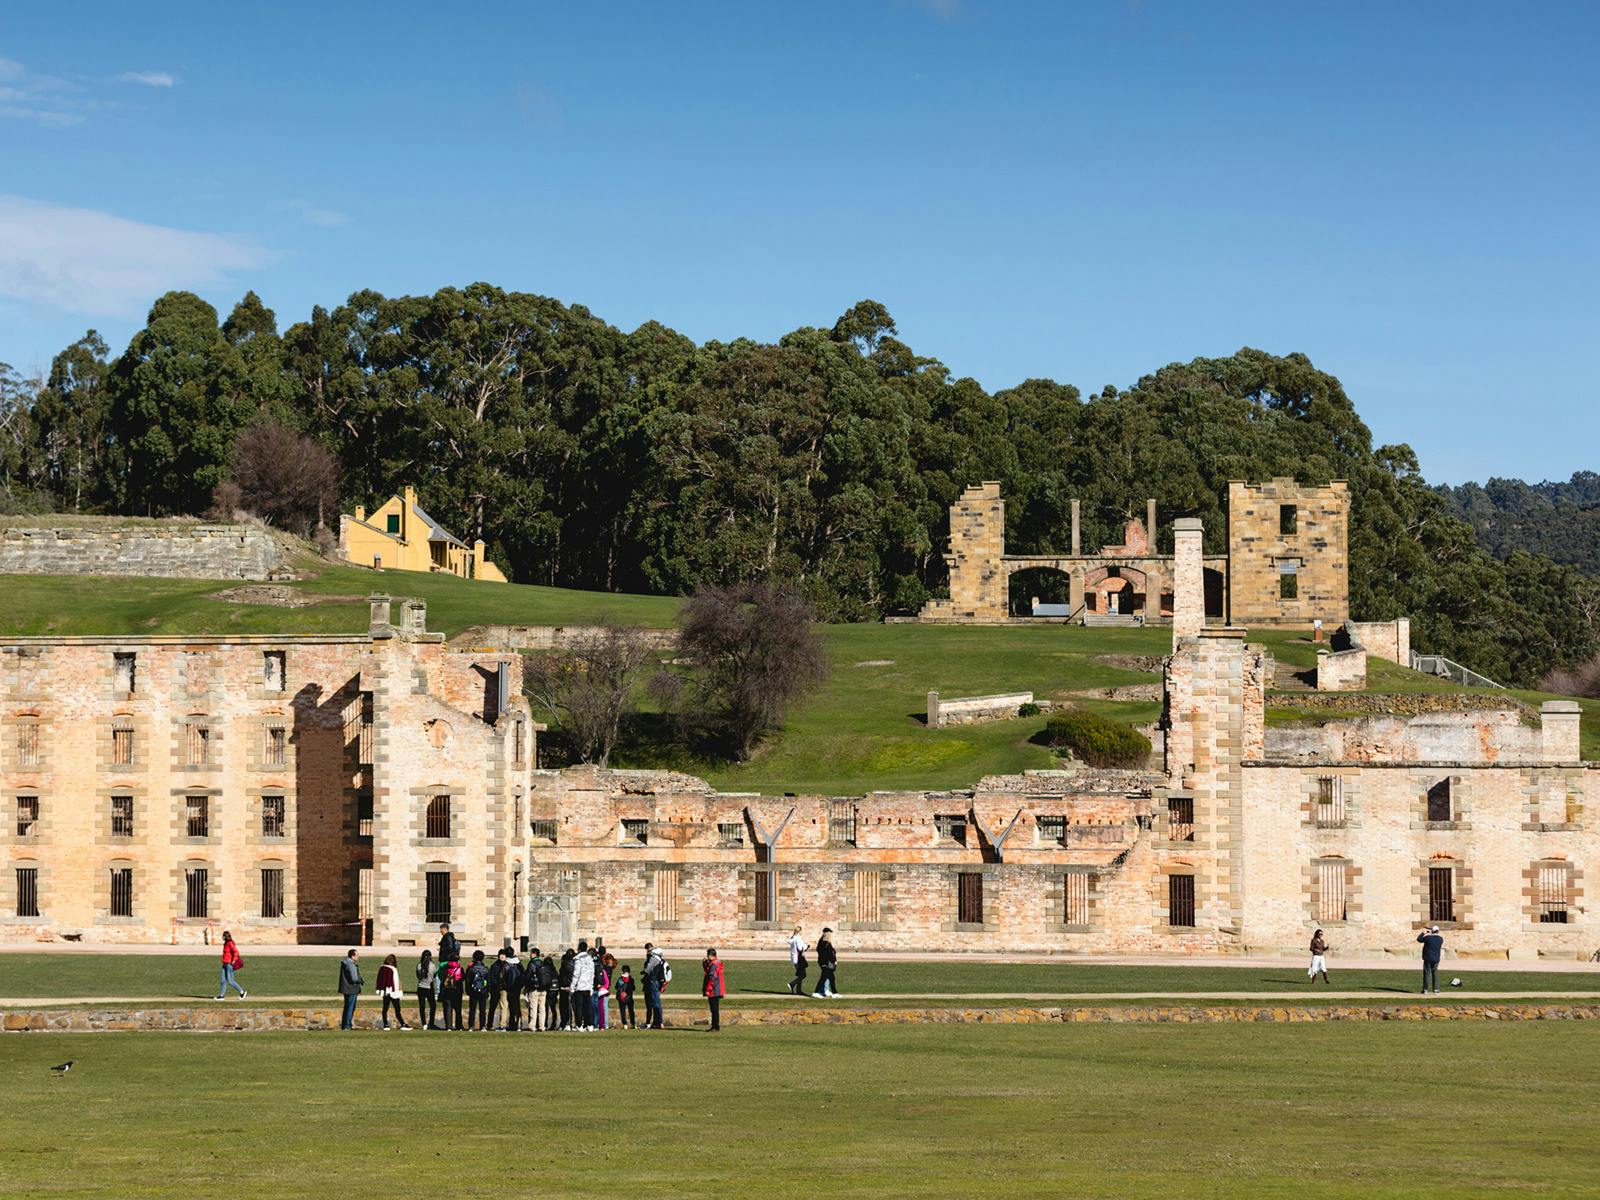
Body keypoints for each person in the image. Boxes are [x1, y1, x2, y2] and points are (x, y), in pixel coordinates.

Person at [376, 953, 411, 1029]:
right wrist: (397, 992)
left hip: (385, 991)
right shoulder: (393, 969)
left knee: (385, 1008)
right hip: (393, 991)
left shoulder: (382, 968)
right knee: (397, 1009)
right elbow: (395, 982)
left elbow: (379, 980)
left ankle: (385, 1025)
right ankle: (403, 1024)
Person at [215, 930, 248, 1001]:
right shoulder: (226, 943)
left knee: (230, 981)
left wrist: (234, 960)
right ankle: (221, 996)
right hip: (224, 963)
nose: (222, 937)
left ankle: (242, 992)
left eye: (223, 936)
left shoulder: (230, 943)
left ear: (225, 936)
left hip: (229, 964)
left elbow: (236, 952)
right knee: (223, 980)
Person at [571, 938, 595, 1030]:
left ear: (579, 949)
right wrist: (591, 987)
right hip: (588, 986)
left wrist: (572, 986)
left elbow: (576, 974)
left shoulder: (578, 959)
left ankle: (579, 1025)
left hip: (580, 987)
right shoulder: (590, 959)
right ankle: (590, 1025)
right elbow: (592, 974)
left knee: (579, 1007)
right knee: (588, 1007)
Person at [642, 943, 666, 1030]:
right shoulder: (661, 959)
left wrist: (644, 972)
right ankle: (657, 1022)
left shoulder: (654, 958)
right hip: (656, 982)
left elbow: (647, 970)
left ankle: (659, 1022)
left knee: (655, 1003)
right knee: (656, 1002)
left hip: (653, 982)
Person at [337, 948, 362, 1031]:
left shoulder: (345, 963)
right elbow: (354, 978)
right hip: (352, 989)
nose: (358, 957)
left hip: (346, 988)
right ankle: (347, 1025)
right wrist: (360, 979)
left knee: (347, 1007)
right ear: (353, 956)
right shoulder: (351, 965)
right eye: (357, 955)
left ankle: (345, 1025)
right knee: (350, 1007)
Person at [466, 949, 491, 1030]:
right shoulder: (486, 969)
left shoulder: (471, 969)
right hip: (483, 990)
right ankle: (483, 1026)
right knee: (482, 1010)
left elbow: (468, 981)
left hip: (473, 990)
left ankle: (471, 1026)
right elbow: (488, 981)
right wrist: (487, 990)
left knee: (472, 1009)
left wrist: (468, 990)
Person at [415, 949, 439, 1030]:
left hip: (421, 987)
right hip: (429, 987)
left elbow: (418, 976)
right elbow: (434, 976)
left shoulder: (419, 965)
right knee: (433, 1006)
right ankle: (431, 1023)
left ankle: (424, 1024)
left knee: (422, 1006)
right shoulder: (432, 966)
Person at [501, 946, 523, 1032]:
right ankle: (518, 1023)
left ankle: (512, 1023)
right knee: (516, 1005)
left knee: (510, 1006)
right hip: (517, 987)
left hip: (509, 988)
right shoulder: (519, 963)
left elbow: (501, 976)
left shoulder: (506, 964)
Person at [702, 948, 725, 1032]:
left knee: (714, 1009)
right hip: (717, 989)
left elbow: (712, 978)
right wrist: (705, 965)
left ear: (710, 955)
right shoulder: (716, 963)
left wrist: (708, 989)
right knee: (715, 1009)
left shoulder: (714, 965)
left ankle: (715, 1026)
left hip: (714, 990)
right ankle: (715, 1025)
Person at [1418, 924, 1445, 994]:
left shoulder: (1428, 938)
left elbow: (1419, 939)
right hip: (1436, 958)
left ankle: (1425, 989)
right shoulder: (1440, 939)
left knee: (1427, 974)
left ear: (1432, 931)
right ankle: (1436, 989)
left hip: (1428, 958)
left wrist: (1424, 933)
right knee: (1435, 973)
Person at [441, 953, 465, 1031]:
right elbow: (463, 978)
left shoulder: (445, 968)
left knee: (448, 1008)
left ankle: (448, 1026)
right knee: (458, 1009)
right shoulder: (460, 968)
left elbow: (442, 978)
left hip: (447, 990)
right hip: (457, 990)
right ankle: (459, 1026)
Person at [487, 948, 509, 1030]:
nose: (502, 956)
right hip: (495, 989)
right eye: (501, 955)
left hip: (504, 989)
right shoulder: (494, 966)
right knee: (492, 1007)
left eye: (504, 955)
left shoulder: (507, 965)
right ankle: (489, 1024)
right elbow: (491, 977)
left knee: (504, 1007)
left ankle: (502, 1024)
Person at [814, 928, 839, 997]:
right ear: (826, 933)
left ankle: (832, 992)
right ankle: (816, 992)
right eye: (829, 933)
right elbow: (828, 953)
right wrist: (833, 961)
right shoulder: (825, 942)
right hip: (826, 963)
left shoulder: (824, 942)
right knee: (828, 978)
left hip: (826, 962)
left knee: (827, 977)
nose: (830, 934)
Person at [787, 927, 809, 996]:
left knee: (800, 974)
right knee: (803, 974)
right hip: (799, 958)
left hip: (794, 958)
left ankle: (799, 990)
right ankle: (791, 984)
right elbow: (800, 948)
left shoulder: (793, 938)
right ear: (799, 931)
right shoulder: (798, 938)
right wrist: (806, 946)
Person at [557, 948, 576, 1030]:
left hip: (566, 987)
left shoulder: (565, 965)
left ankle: (567, 1023)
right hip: (574, 987)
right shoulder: (576, 964)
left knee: (566, 1007)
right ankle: (577, 1023)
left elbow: (562, 977)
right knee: (574, 1007)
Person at [615, 964, 636, 1029]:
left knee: (622, 1011)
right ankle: (633, 1024)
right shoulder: (631, 979)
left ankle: (625, 1024)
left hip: (621, 998)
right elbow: (633, 988)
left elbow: (616, 987)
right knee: (631, 1010)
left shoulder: (620, 979)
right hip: (629, 997)